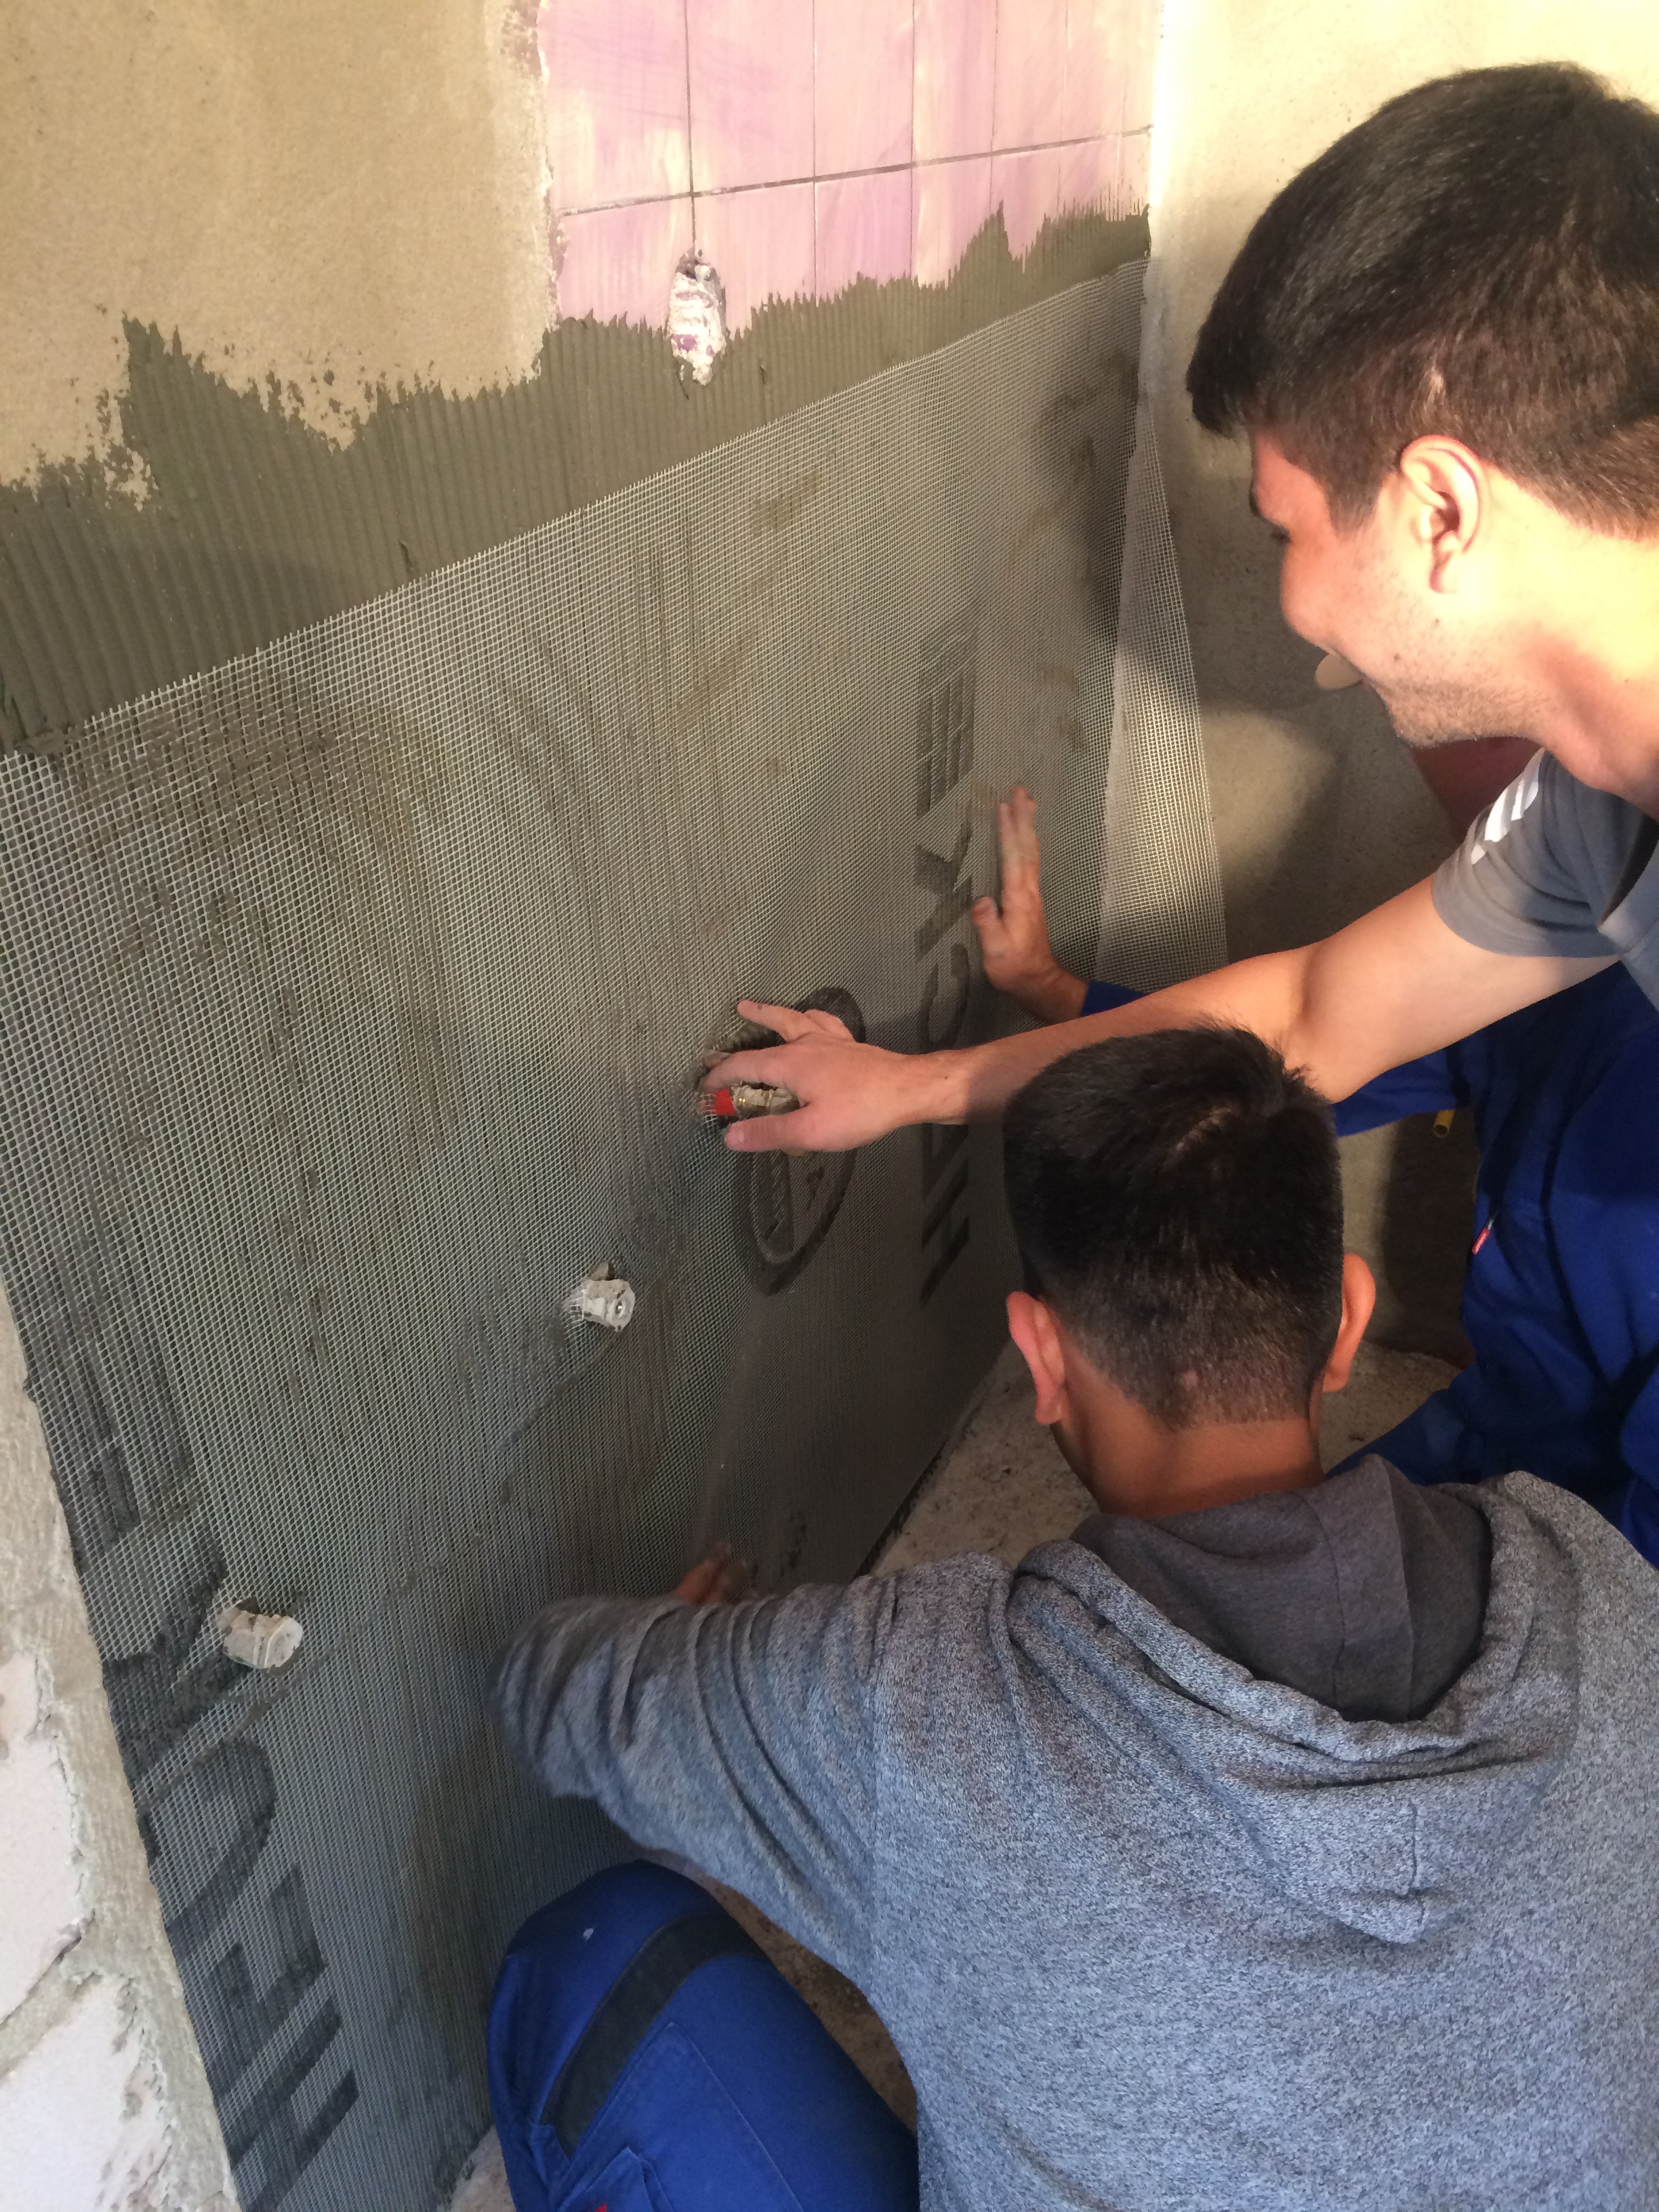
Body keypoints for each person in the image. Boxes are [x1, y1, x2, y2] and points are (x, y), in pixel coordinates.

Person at [491, 1029, 1659, 2211]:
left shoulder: (926, 1712)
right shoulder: (1600, 1587)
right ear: (1349, 1319)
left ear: (1039, 1354)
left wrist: (713, 1680)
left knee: (587, 1965)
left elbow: (560, 1691)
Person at [703, 65, 1659, 1197]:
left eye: (1285, 531)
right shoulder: (1588, 820)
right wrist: (913, 1086)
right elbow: (1307, 1014)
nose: (1302, 616)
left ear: (1438, 514)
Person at [979, 774, 1659, 1567]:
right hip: (1501, 1421)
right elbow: (1305, 1053)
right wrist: (1057, 995)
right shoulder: (1553, 969)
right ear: (1345, 1319)